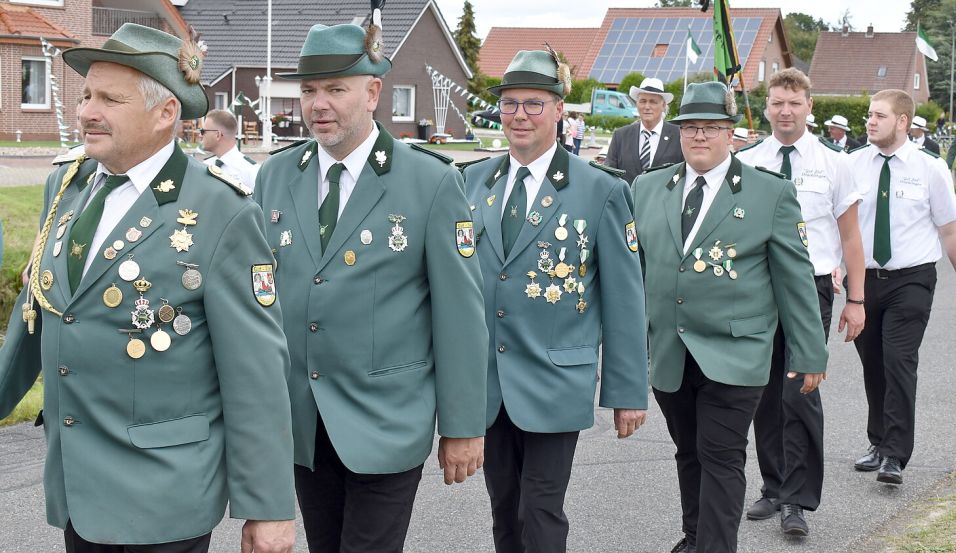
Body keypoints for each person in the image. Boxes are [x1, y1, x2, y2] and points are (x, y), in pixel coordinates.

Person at [0, 23, 295, 553]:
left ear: (166, 115)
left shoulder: (220, 211)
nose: (88, 110)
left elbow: (256, 373)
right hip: (76, 485)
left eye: (110, 99)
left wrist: (268, 507)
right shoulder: (65, 186)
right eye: (87, 94)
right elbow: (37, 311)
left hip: (165, 493)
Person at [252, 23, 487, 553]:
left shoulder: (429, 182)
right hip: (303, 420)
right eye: (310, 90)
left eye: (336, 89)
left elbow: (459, 314)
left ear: (373, 92)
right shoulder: (276, 175)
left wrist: (463, 424)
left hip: (387, 417)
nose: (318, 104)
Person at [461, 49, 649, 553]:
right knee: (503, 509)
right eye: (509, 104)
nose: (519, 115)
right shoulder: (471, 182)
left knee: (540, 510)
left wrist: (627, 390)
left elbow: (625, 299)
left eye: (534, 104)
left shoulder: (600, 190)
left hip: (554, 380)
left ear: (561, 109)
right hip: (487, 384)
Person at [632, 81, 829, 553]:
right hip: (670, 352)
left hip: (736, 353)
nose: (700, 136)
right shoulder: (647, 187)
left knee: (720, 455)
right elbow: (633, 271)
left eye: (712, 127)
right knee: (688, 452)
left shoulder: (769, 193)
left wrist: (809, 351)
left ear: (731, 132)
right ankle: (696, 536)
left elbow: (796, 279)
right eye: (691, 127)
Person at [736, 68, 866, 537]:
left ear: (809, 106)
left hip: (809, 289)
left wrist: (856, 298)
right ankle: (773, 486)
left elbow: (851, 238)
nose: (785, 111)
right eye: (777, 103)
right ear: (767, 107)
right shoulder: (747, 159)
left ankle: (798, 500)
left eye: (794, 103)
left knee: (801, 390)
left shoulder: (834, 162)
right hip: (755, 288)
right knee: (763, 392)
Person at [849, 89, 956, 486]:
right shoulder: (851, 165)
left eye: (880, 115)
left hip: (912, 280)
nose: (870, 121)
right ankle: (878, 440)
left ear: (902, 121)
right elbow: (840, 224)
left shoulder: (930, 168)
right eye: (869, 114)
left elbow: (950, 230)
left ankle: (895, 455)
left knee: (898, 362)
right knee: (873, 364)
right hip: (865, 280)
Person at [605, 77, 682, 184]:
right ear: (637, 104)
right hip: (627, 200)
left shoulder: (679, 135)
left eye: (653, 102)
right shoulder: (621, 136)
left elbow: (683, 173)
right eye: (642, 101)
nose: (647, 106)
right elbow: (609, 175)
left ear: (663, 105)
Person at [200, 108, 260, 191]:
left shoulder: (251, 171)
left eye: (203, 131)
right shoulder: (206, 166)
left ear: (218, 135)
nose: (200, 135)